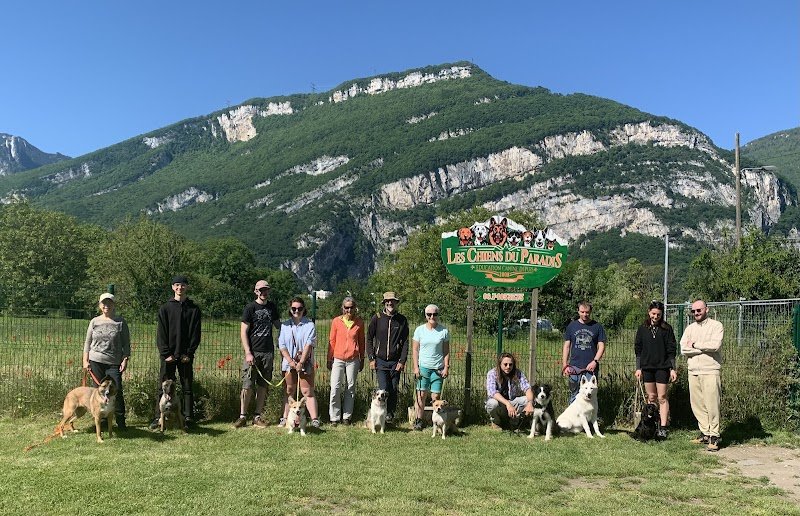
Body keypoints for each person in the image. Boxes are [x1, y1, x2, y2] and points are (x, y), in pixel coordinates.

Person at [149, 275, 202, 431]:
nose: (180, 288)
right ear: (173, 287)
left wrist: (189, 353)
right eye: (177, 285)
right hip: (168, 356)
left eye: (183, 285)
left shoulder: (194, 309)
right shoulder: (165, 308)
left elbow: (195, 334)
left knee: (187, 387)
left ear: (187, 287)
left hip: (185, 356)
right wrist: (166, 353)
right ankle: (158, 417)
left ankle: (187, 417)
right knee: (163, 387)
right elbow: (161, 334)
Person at [233, 280, 281, 429]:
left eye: (266, 290)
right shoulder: (250, 308)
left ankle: (257, 416)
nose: (263, 292)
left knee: (263, 386)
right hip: (253, 352)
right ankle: (242, 416)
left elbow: (280, 327)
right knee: (247, 385)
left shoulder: (272, 307)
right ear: (256, 291)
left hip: (268, 352)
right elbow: (243, 332)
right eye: (261, 290)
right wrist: (248, 352)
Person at [680, 299, 724, 452]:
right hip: (693, 370)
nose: (696, 313)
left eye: (699, 310)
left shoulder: (716, 326)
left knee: (712, 404)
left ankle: (714, 435)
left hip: (710, 370)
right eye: (693, 311)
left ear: (707, 309)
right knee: (697, 404)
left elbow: (715, 346)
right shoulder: (690, 328)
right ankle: (705, 432)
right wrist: (700, 349)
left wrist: (695, 345)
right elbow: (683, 349)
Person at [83, 293, 131, 430]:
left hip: (114, 362)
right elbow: (87, 343)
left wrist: (125, 358)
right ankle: (102, 423)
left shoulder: (120, 322)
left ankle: (121, 422)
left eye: (109, 303)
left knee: (117, 391)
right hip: (95, 360)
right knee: (99, 391)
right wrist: (85, 360)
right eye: (103, 303)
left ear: (113, 305)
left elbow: (126, 343)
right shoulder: (94, 322)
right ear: (100, 305)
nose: (106, 306)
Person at [634, 300, 677, 439]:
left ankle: (663, 427)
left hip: (662, 367)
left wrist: (672, 368)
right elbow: (638, 349)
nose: (655, 317)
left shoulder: (667, 329)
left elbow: (671, 349)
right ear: (649, 312)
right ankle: (650, 427)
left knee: (662, 397)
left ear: (662, 314)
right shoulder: (642, 328)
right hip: (647, 368)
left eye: (658, 314)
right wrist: (638, 368)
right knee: (651, 397)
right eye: (653, 314)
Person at [366, 291, 409, 425]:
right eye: (387, 301)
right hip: (380, 360)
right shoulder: (377, 318)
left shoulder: (402, 320)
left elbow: (406, 342)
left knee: (394, 389)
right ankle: (378, 416)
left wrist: (402, 361)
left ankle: (389, 415)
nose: (390, 303)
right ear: (384, 303)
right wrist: (371, 358)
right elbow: (369, 338)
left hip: (395, 361)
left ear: (396, 303)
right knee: (384, 388)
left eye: (393, 301)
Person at [278, 296, 321, 428]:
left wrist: (301, 362)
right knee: (289, 390)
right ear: (290, 310)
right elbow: (282, 344)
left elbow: (309, 344)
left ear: (304, 309)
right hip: (288, 363)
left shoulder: (310, 325)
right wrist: (290, 362)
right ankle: (285, 418)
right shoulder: (285, 325)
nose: (297, 311)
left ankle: (314, 419)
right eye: (294, 308)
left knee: (307, 391)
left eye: (300, 308)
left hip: (305, 363)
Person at [327, 296, 365, 426]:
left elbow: (361, 341)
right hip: (337, 358)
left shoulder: (359, 322)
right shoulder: (336, 321)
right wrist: (329, 358)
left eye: (351, 307)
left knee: (350, 387)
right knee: (335, 388)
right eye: (346, 307)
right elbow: (332, 341)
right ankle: (334, 417)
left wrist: (362, 358)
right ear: (343, 308)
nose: (349, 310)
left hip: (353, 359)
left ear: (355, 308)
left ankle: (347, 416)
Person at [412, 304, 450, 431]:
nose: (432, 316)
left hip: (438, 368)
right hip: (423, 367)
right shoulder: (419, 330)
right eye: (429, 314)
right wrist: (416, 367)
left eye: (434, 314)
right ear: (425, 316)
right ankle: (418, 420)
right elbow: (415, 350)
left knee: (435, 397)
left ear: (438, 315)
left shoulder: (444, 331)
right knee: (421, 395)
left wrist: (446, 367)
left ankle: (438, 422)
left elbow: (446, 351)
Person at [562, 301, 606, 404]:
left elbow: (601, 346)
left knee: (591, 396)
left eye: (587, 312)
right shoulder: (571, 326)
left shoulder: (597, 326)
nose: (584, 315)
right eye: (582, 312)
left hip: (591, 368)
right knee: (574, 395)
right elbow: (567, 346)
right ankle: (572, 419)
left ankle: (589, 419)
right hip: (574, 367)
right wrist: (565, 365)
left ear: (590, 312)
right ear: (578, 311)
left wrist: (595, 361)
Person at [485, 352, 535, 430]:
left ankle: (514, 423)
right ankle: (496, 423)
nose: (508, 367)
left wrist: (530, 403)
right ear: (500, 364)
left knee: (527, 400)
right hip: (500, 403)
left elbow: (527, 388)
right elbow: (492, 392)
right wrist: (507, 403)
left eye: (510, 364)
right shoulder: (492, 373)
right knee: (492, 403)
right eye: (505, 364)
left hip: (512, 402)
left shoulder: (517, 373)